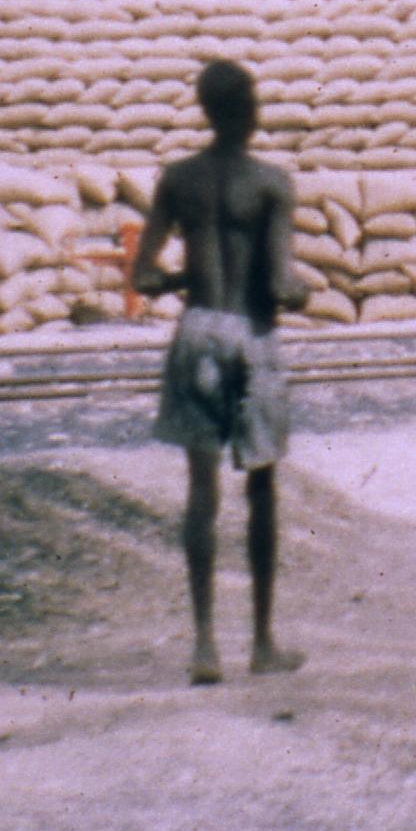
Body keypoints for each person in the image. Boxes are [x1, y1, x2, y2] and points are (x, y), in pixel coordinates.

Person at [134, 59, 310, 685]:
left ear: (206, 110)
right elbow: (279, 283)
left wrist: (183, 278)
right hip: (252, 337)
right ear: (251, 110)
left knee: (201, 492)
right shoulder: (272, 184)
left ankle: (205, 646)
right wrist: (301, 292)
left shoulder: (178, 179)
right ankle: (261, 643)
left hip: (198, 332)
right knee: (261, 490)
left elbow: (144, 275)